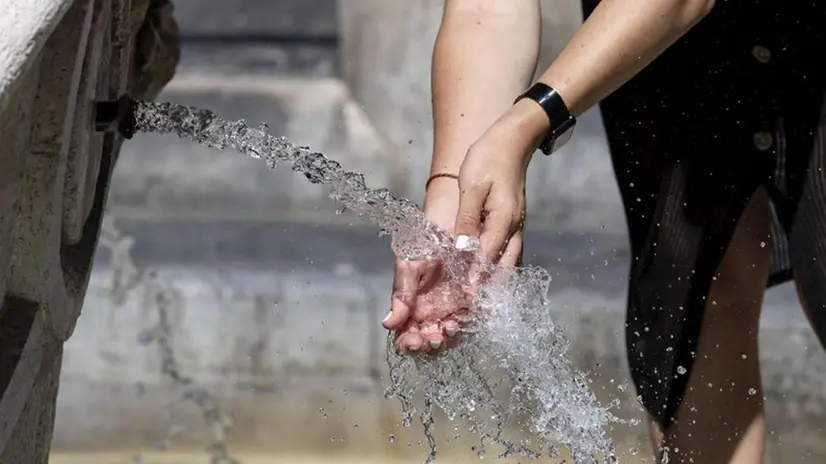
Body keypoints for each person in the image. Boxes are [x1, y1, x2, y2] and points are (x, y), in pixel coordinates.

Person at [380, 0, 826, 463]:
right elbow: (487, 9)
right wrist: (456, 194)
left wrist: (527, 124)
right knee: (694, 297)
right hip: (652, 39)